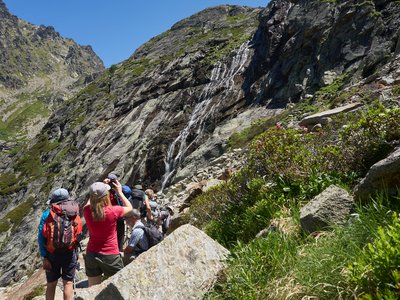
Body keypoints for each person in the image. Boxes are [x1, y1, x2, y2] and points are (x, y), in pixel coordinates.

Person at [83, 180, 132, 287]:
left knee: (93, 289)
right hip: (110, 254)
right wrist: (120, 192)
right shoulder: (113, 211)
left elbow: (90, 202)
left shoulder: (86, 211)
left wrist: (95, 190)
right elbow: (130, 207)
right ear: (106, 195)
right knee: (120, 286)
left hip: (91, 253)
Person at [38, 188, 80, 300]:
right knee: (68, 283)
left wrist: (45, 256)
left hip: (52, 253)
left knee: (51, 284)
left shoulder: (47, 214)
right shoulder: (73, 211)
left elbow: (41, 237)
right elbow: (78, 231)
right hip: (69, 252)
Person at [103, 173, 128, 252]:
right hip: (119, 214)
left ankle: (109, 249)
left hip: (109, 215)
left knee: (109, 234)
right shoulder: (120, 190)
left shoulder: (106, 190)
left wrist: (104, 184)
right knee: (120, 233)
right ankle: (119, 249)